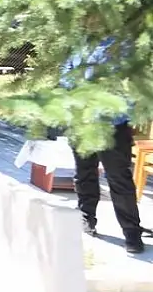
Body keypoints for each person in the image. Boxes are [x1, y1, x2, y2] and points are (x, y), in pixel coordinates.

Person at [59, 39, 146, 254]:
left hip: (113, 125)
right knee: (84, 173)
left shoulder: (123, 45)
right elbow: (66, 73)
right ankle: (86, 218)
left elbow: (133, 83)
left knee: (119, 179)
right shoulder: (79, 44)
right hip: (81, 122)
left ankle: (131, 233)